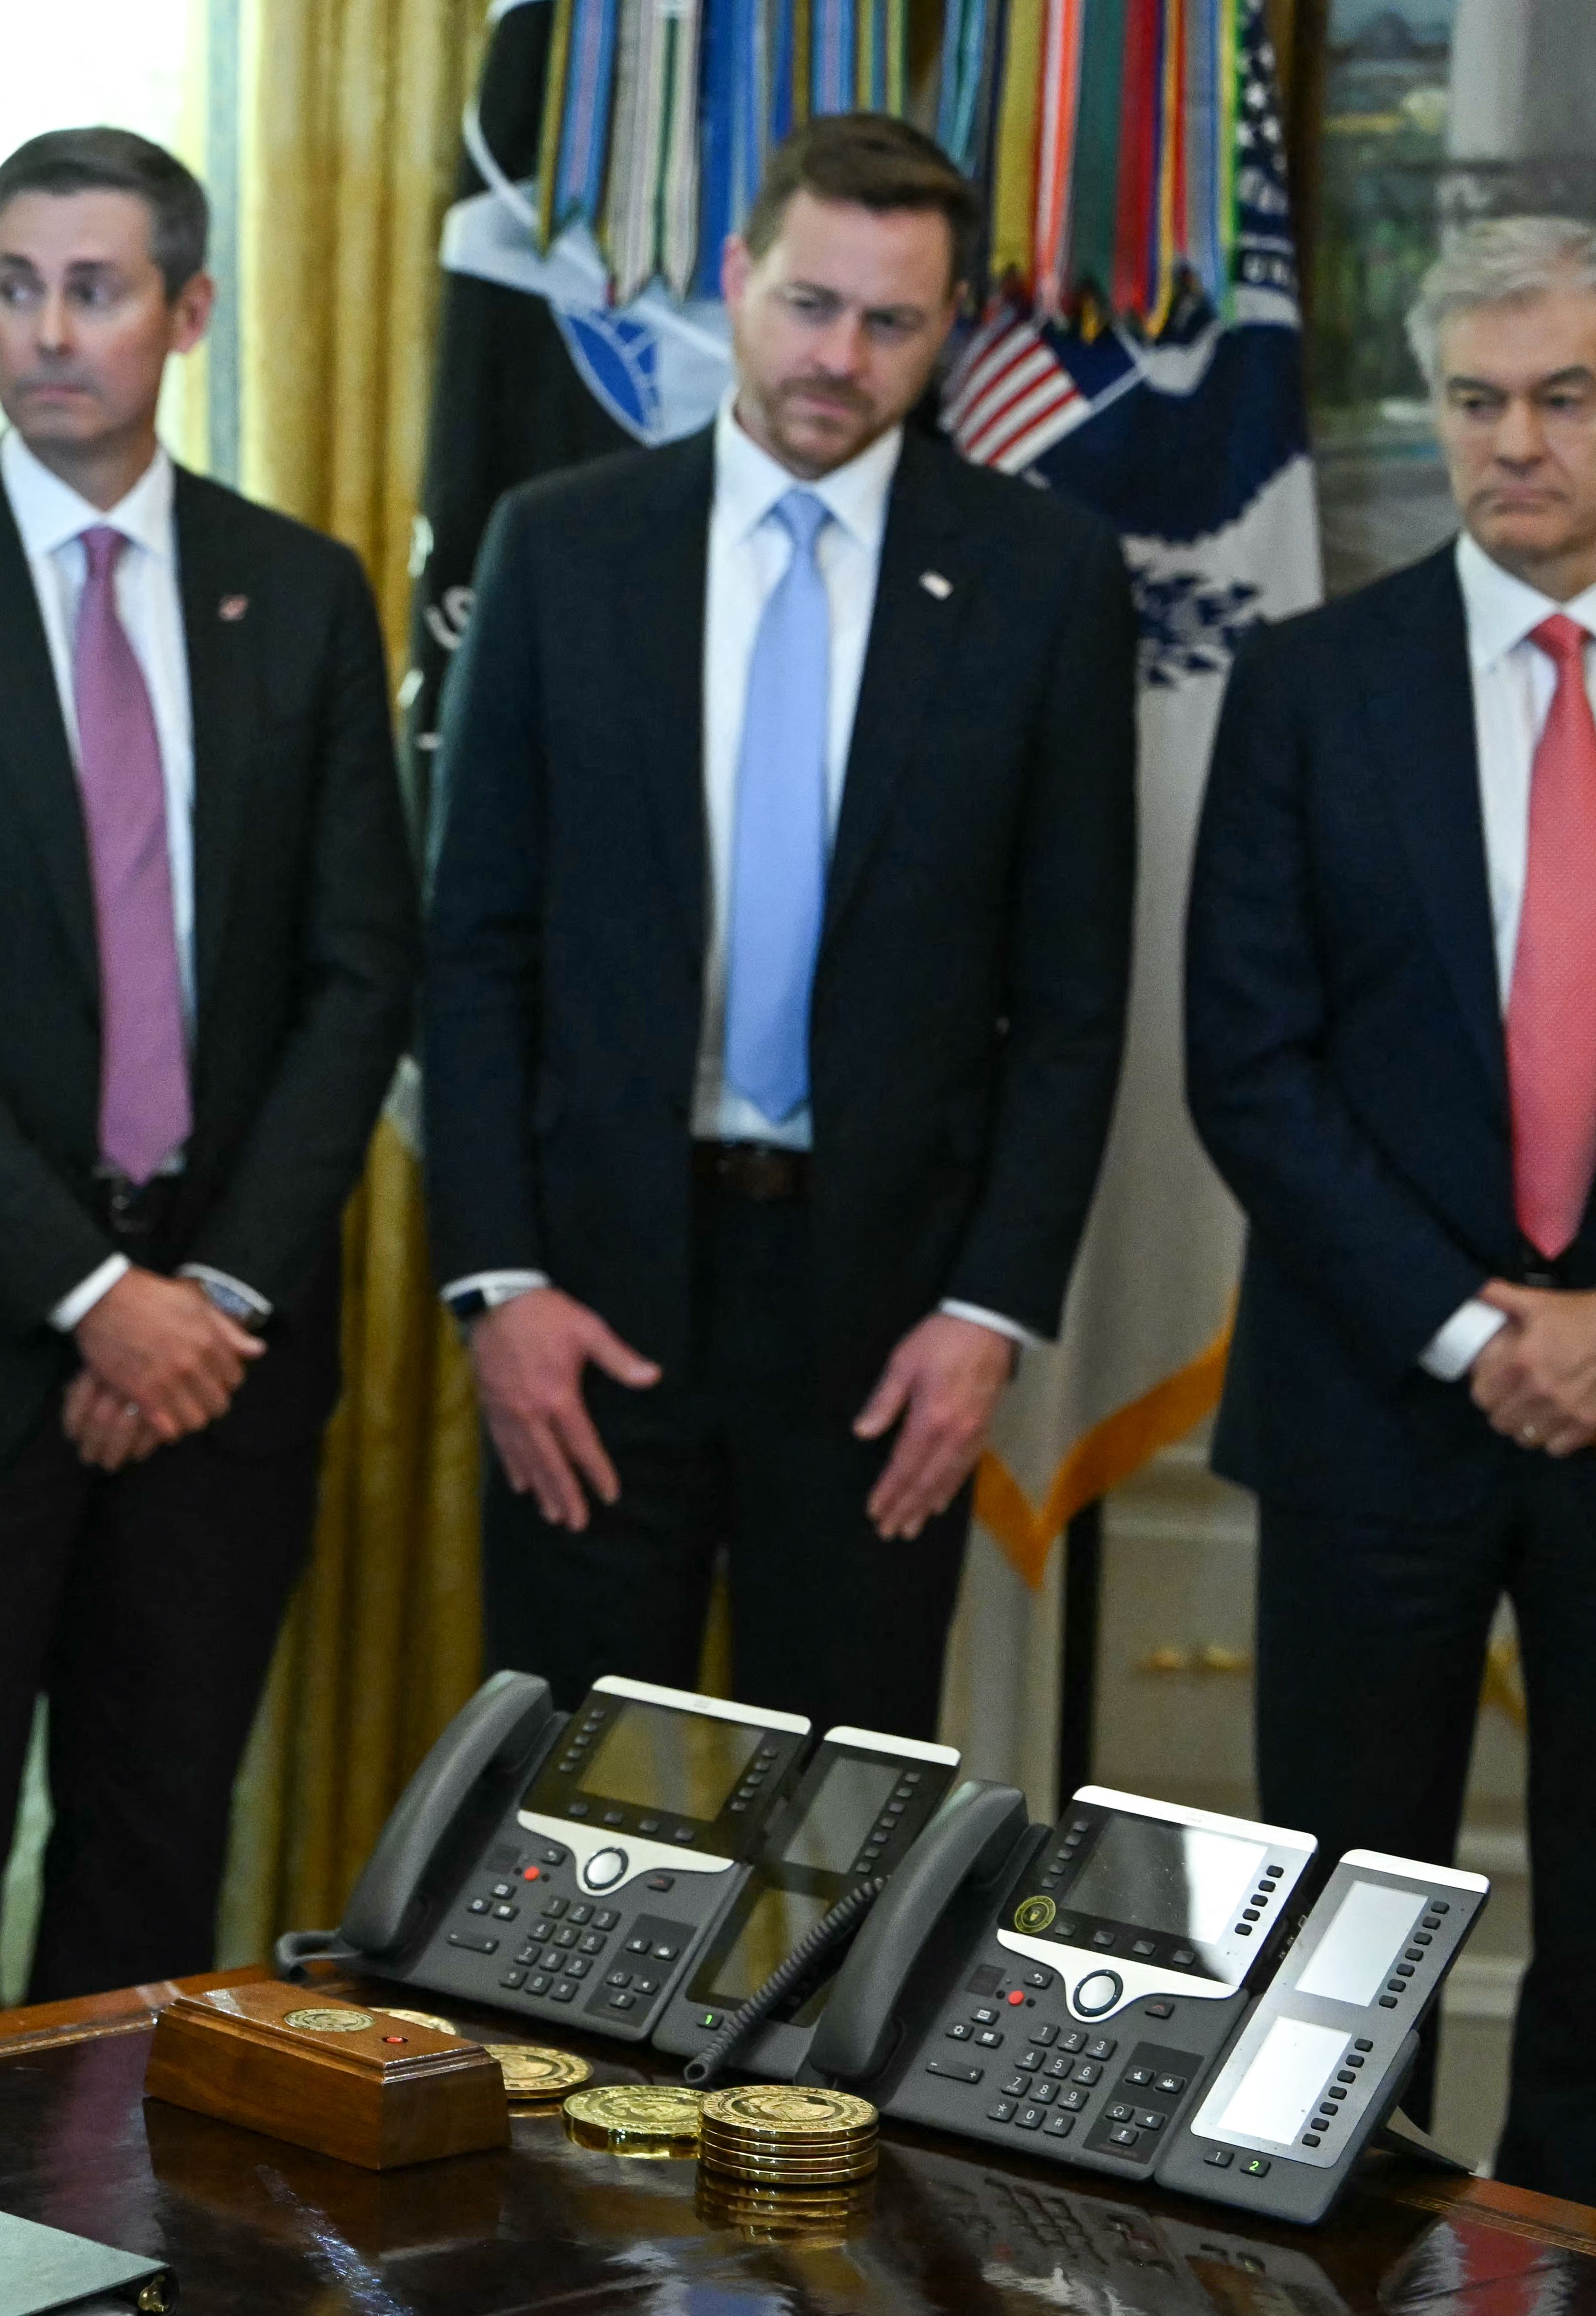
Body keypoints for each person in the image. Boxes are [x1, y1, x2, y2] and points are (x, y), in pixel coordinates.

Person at [0, 128, 418, 2037]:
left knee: (152, 1869)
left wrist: (200, 1297)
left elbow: (358, 972)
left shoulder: (299, 593)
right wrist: (89, 1296)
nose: (47, 332)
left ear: (187, 311)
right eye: (15, 288)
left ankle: (115, 2227)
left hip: (223, 1350)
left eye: (95, 289)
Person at [423, 114, 1137, 1736]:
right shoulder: (561, 546)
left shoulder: (1042, 581)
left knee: (842, 1827)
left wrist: (987, 1315)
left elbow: (1072, 997)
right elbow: (471, 949)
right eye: (809, 304)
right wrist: (499, 1284)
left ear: (946, 329)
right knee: (564, 1816)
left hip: (884, 1320)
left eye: (890, 322)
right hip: (592, 1293)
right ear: (739, 276)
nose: (838, 358)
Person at [1187, 220, 1596, 2221]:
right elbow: (1247, 1062)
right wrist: (1474, 1329)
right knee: (1339, 1934)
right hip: (1373, 1402)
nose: (1515, 442)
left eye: (1562, 398)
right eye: (1474, 400)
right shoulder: (1308, 685)